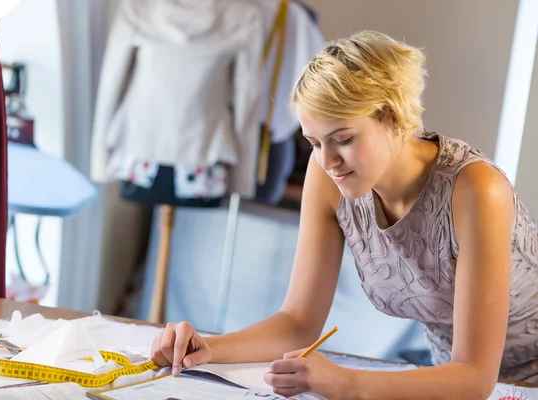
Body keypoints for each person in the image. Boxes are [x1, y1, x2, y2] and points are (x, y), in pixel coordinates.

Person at [149, 30, 538, 399]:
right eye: (314, 142)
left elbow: (474, 377)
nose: (327, 161)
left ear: (392, 116)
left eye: (343, 139)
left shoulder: (476, 191)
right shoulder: (328, 175)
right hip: (450, 383)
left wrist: (346, 384)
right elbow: (298, 323)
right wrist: (206, 347)